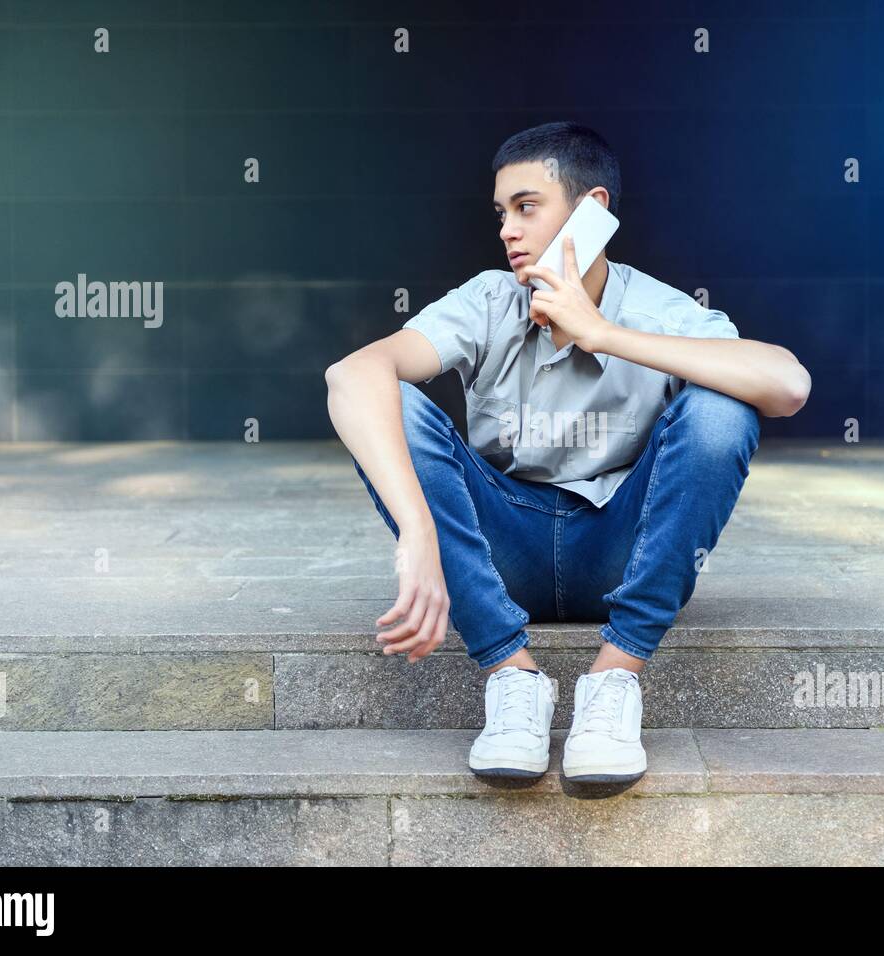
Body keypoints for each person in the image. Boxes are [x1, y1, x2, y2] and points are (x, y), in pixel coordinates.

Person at [324, 121, 810, 784]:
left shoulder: (655, 306)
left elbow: (788, 384)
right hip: (503, 556)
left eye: (527, 207)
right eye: (501, 212)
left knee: (723, 405)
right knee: (391, 399)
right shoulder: (489, 299)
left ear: (592, 213)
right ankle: (512, 676)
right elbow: (351, 375)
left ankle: (614, 681)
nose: (507, 230)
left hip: (620, 553)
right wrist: (415, 531)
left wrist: (604, 333)